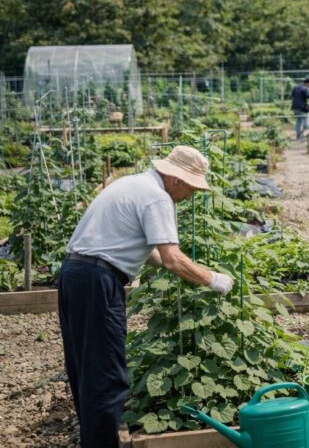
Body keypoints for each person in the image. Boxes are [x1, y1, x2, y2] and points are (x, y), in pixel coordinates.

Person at [57, 146, 235, 447]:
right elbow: (171, 258)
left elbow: (145, 248)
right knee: (108, 374)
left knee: (85, 367)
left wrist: (170, 264)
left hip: (75, 274)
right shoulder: (157, 197)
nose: (190, 196)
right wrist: (213, 279)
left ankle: (93, 439)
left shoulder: (134, 183)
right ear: (176, 179)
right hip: (99, 282)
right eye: (191, 188)